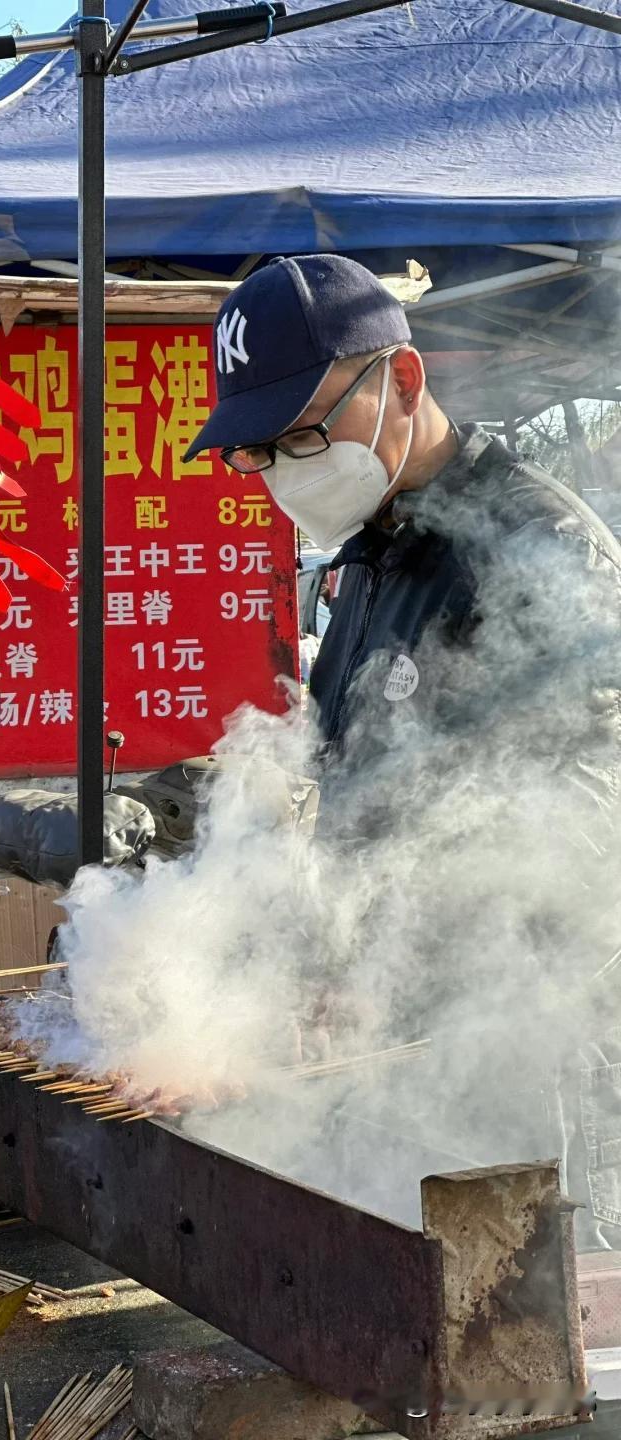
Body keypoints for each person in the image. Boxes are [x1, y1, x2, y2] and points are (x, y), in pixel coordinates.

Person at [187, 254, 621, 1248]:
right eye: (257, 452)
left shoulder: (537, 545)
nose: (284, 469)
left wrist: (402, 921)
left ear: (404, 383)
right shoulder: (366, 561)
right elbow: (355, 782)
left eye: (303, 434)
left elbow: (595, 833)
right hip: (414, 1046)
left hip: (540, 1063)